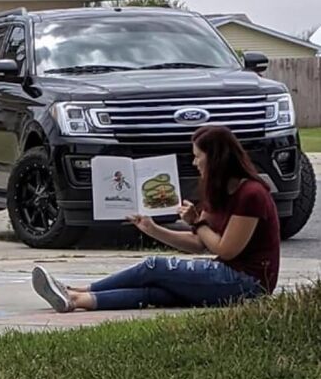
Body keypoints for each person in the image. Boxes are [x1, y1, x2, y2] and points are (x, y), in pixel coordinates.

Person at [32, 125, 280, 313]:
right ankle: (75, 300)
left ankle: (81, 289)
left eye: (197, 156)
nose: (195, 163)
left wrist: (197, 222)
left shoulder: (251, 194)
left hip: (248, 283)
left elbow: (226, 249)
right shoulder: (218, 193)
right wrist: (152, 229)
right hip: (228, 276)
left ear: (216, 159)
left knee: (154, 266)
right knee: (155, 292)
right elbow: (198, 243)